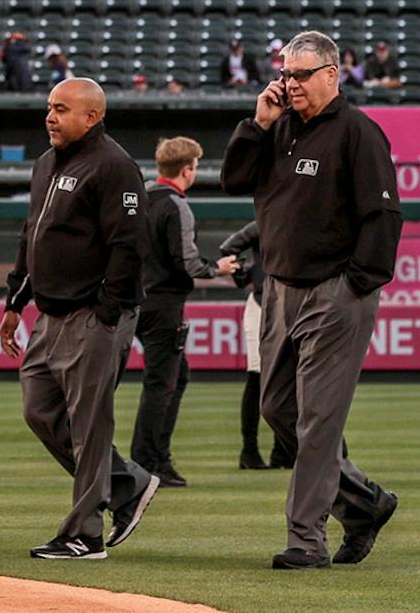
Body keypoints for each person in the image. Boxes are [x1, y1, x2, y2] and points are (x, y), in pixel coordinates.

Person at [221, 31, 403, 570]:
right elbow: (233, 181)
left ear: (332, 74)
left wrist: (356, 284)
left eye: (301, 74)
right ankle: (365, 504)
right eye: (285, 73)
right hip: (279, 286)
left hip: (334, 291)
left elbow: (384, 215)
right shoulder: (275, 129)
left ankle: (307, 540)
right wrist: (257, 124)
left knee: (318, 420)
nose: (289, 83)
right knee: (277, 406)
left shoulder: (358, 132)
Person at [0, 78, 159, 562]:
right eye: (49, 107)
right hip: (50, 313)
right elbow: (33, 236)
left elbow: (129, 244)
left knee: (90, 428)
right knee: (39, 409)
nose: (50, 116)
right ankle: (126, 484)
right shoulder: (46, 163)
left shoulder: (113, 165)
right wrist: (14, 302)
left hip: (93, 312)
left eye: (62, 109)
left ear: (91, 117)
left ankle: (85, 535)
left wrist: (107, 311)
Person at [133, 137, 220, 487]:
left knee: (174, 377)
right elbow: (188, 261)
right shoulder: (176, 204)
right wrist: (219, 268)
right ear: (188, 170)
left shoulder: (140, 199)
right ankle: (149, 463)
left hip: (136, 300)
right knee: (162, 382)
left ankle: (153, 458)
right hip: (165, 304)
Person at [217, 223, 289, 472]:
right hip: (262, 304)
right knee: (257, 378)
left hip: (290, 303)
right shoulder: (264, 222)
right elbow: (229, 246)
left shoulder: (295, 219)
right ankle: (249, 450)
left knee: (289, 379)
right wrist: (245, 275)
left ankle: (284, 450)